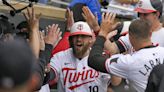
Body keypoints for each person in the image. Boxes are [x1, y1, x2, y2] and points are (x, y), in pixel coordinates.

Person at [88, 12, 164, 92]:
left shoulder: (130, 62)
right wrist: (97, 29)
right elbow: (112, 49)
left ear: (130, 37)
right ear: (150, 34)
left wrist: (102, 33)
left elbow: (93, 60)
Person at [49, 21, 110, 92]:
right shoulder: (60, 57)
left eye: (83, 36)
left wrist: (112, 52)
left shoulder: (101, 57)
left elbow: (116, 82)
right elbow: (48, 75)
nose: (79, 39)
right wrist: (47, 48)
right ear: (70, 40)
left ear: (90, 39)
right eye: (75, 36)